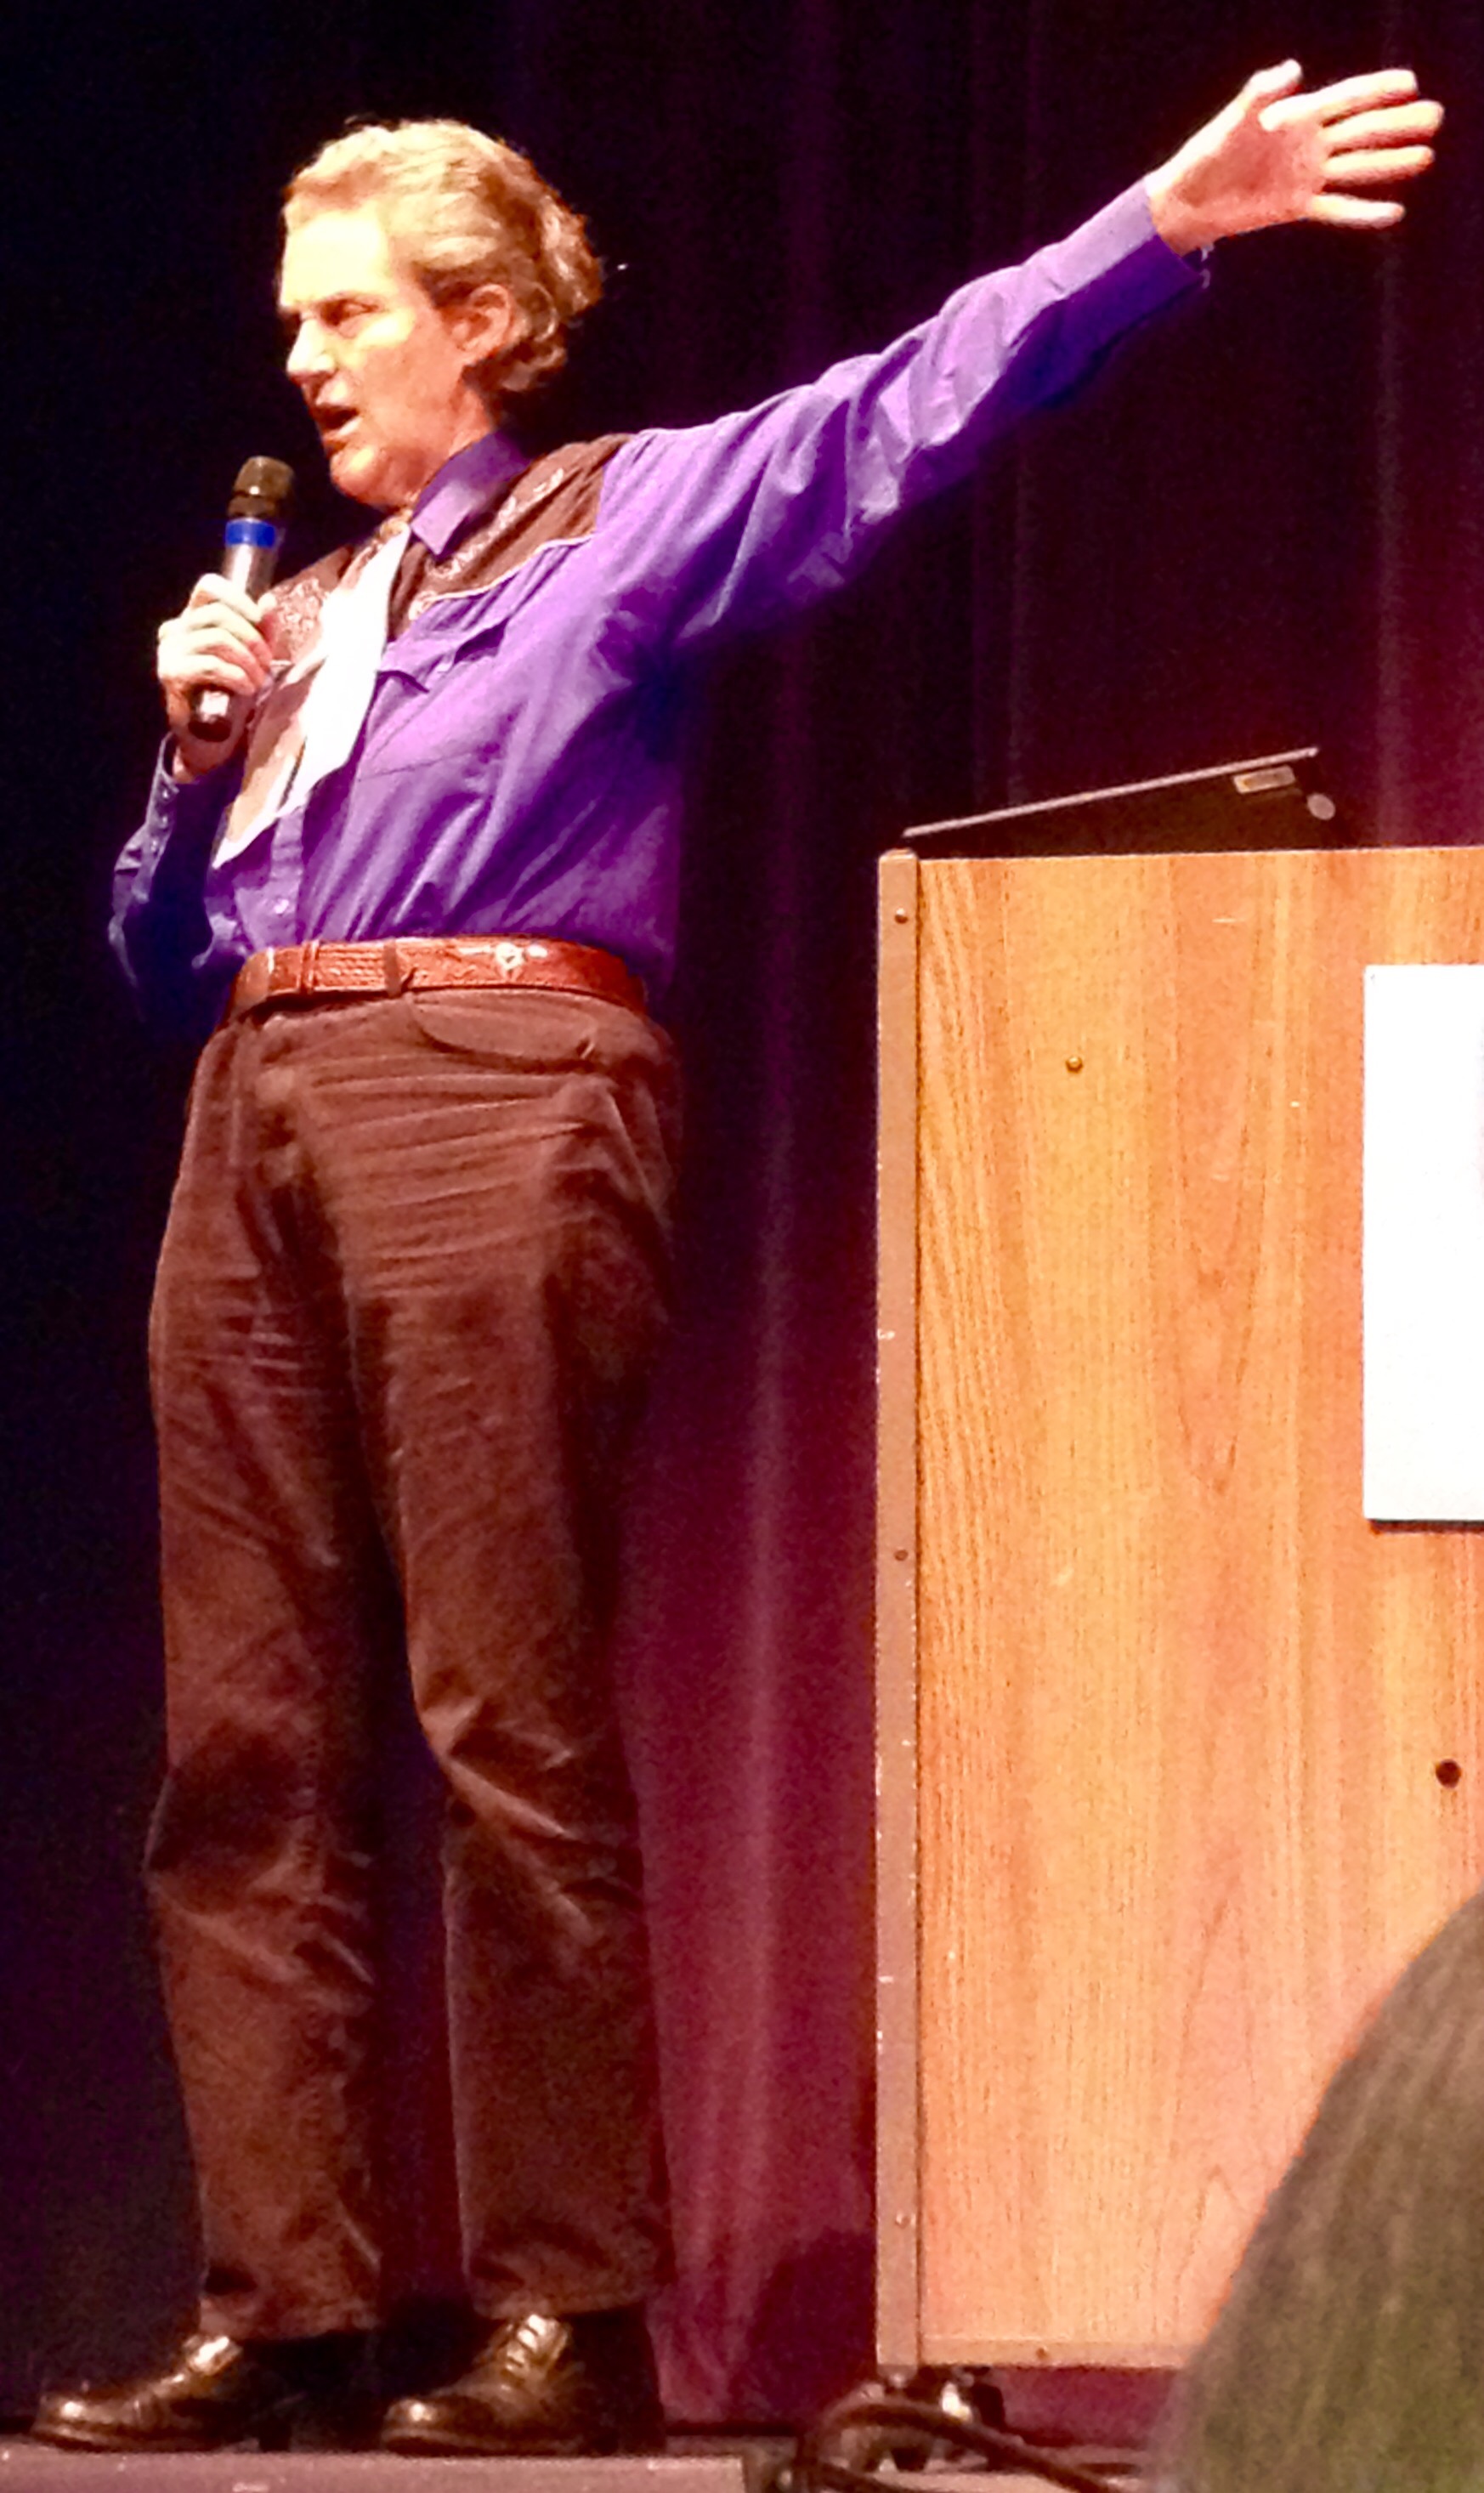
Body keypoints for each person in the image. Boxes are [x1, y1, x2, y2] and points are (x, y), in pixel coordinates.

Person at [32, 60, 1440, 2459]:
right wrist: (188, 757)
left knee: (499, 1711)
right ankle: (288, 2301)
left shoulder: (613, 519)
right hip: (249, 1103)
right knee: (240, 1746)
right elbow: (156, 961)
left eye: (348, 313)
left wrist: (1163, 224)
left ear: (481, 320)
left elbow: (895, 413)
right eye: (296, 318)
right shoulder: (303, 614)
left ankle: (563, 2305)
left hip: (495, 1077)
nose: (303, 355)